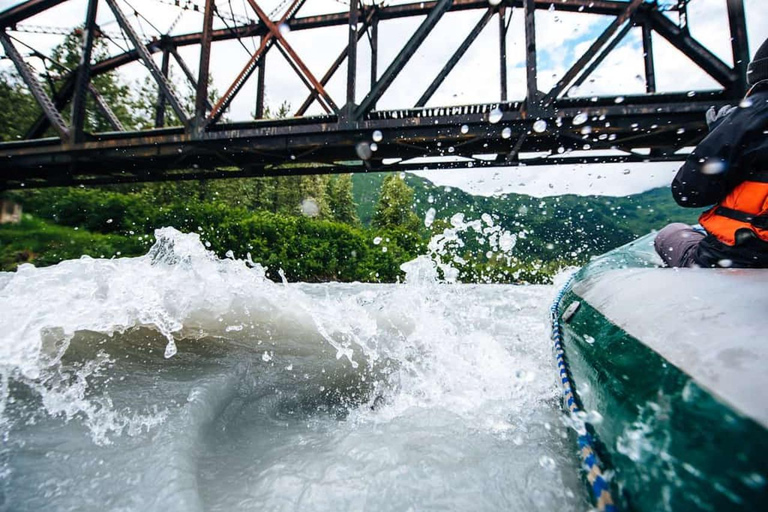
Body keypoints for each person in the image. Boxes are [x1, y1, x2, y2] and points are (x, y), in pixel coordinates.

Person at [654, 38, 768, 268]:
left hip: (741, 257)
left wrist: (719, 133)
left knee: (668, 233)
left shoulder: (754, 111)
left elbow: (689, 192)